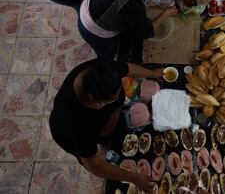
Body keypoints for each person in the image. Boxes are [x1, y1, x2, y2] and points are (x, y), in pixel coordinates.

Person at [49, 59, 162, 192]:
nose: (118, 97)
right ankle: (102, 145)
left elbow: (126, 68)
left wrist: (151, 73)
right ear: (92, 99)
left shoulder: (104, 71)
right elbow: (95, 166)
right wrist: (133, 178)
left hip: (105, 119)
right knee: (94, 156)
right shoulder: (76, 127)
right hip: (67, 133)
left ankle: (105, 140)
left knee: (109, 131)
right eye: (111, 99)